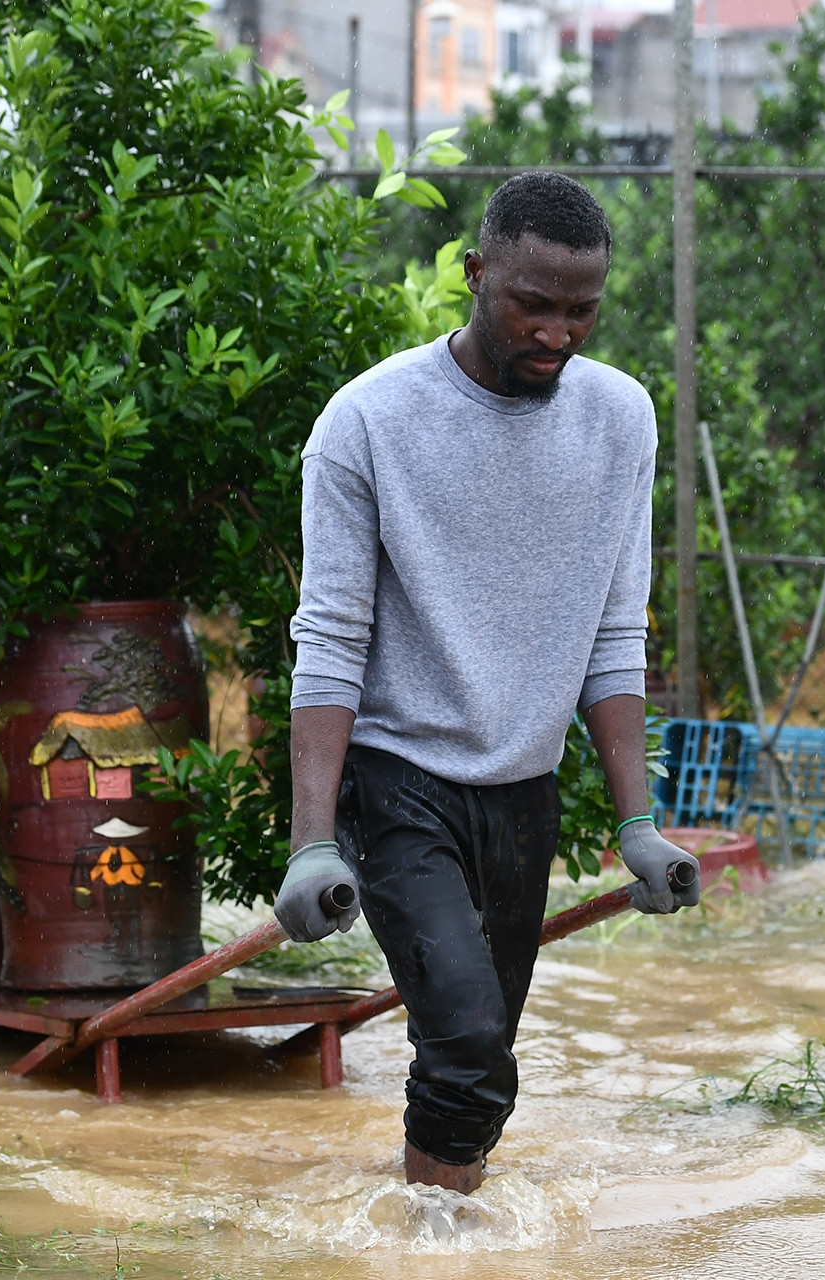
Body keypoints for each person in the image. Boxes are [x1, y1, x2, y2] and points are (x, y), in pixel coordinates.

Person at [273, 173, 700, 1195]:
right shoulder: (366, 421)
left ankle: (428, 1237)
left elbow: (611, 627)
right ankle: (433, 1248)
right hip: (398, 780)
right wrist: (312, 839)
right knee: (467, 1042)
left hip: (524, 790)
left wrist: (637, 820)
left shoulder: (619, 419)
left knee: (478, 1076)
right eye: (533, 304)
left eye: (581, 310)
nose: (558, 332)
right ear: (474, 274)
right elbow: (330, 637)